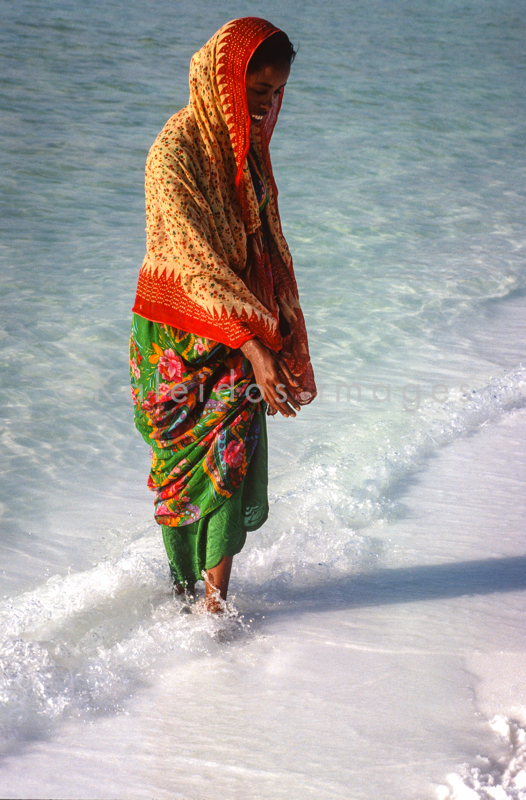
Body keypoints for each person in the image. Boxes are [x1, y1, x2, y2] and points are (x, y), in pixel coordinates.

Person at [129, 17, 316, 612]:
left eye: (275, 95)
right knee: (181, 472)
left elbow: (266, 246)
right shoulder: (173, 154)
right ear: (224, 80)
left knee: (230, 457)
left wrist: (274, 335)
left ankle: (214, 604)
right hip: (177, 336)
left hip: (239, 329)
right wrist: (255, 345)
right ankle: (181, 590)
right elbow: (193, 263)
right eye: (256, 93)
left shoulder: (249, 154)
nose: (265, 108)